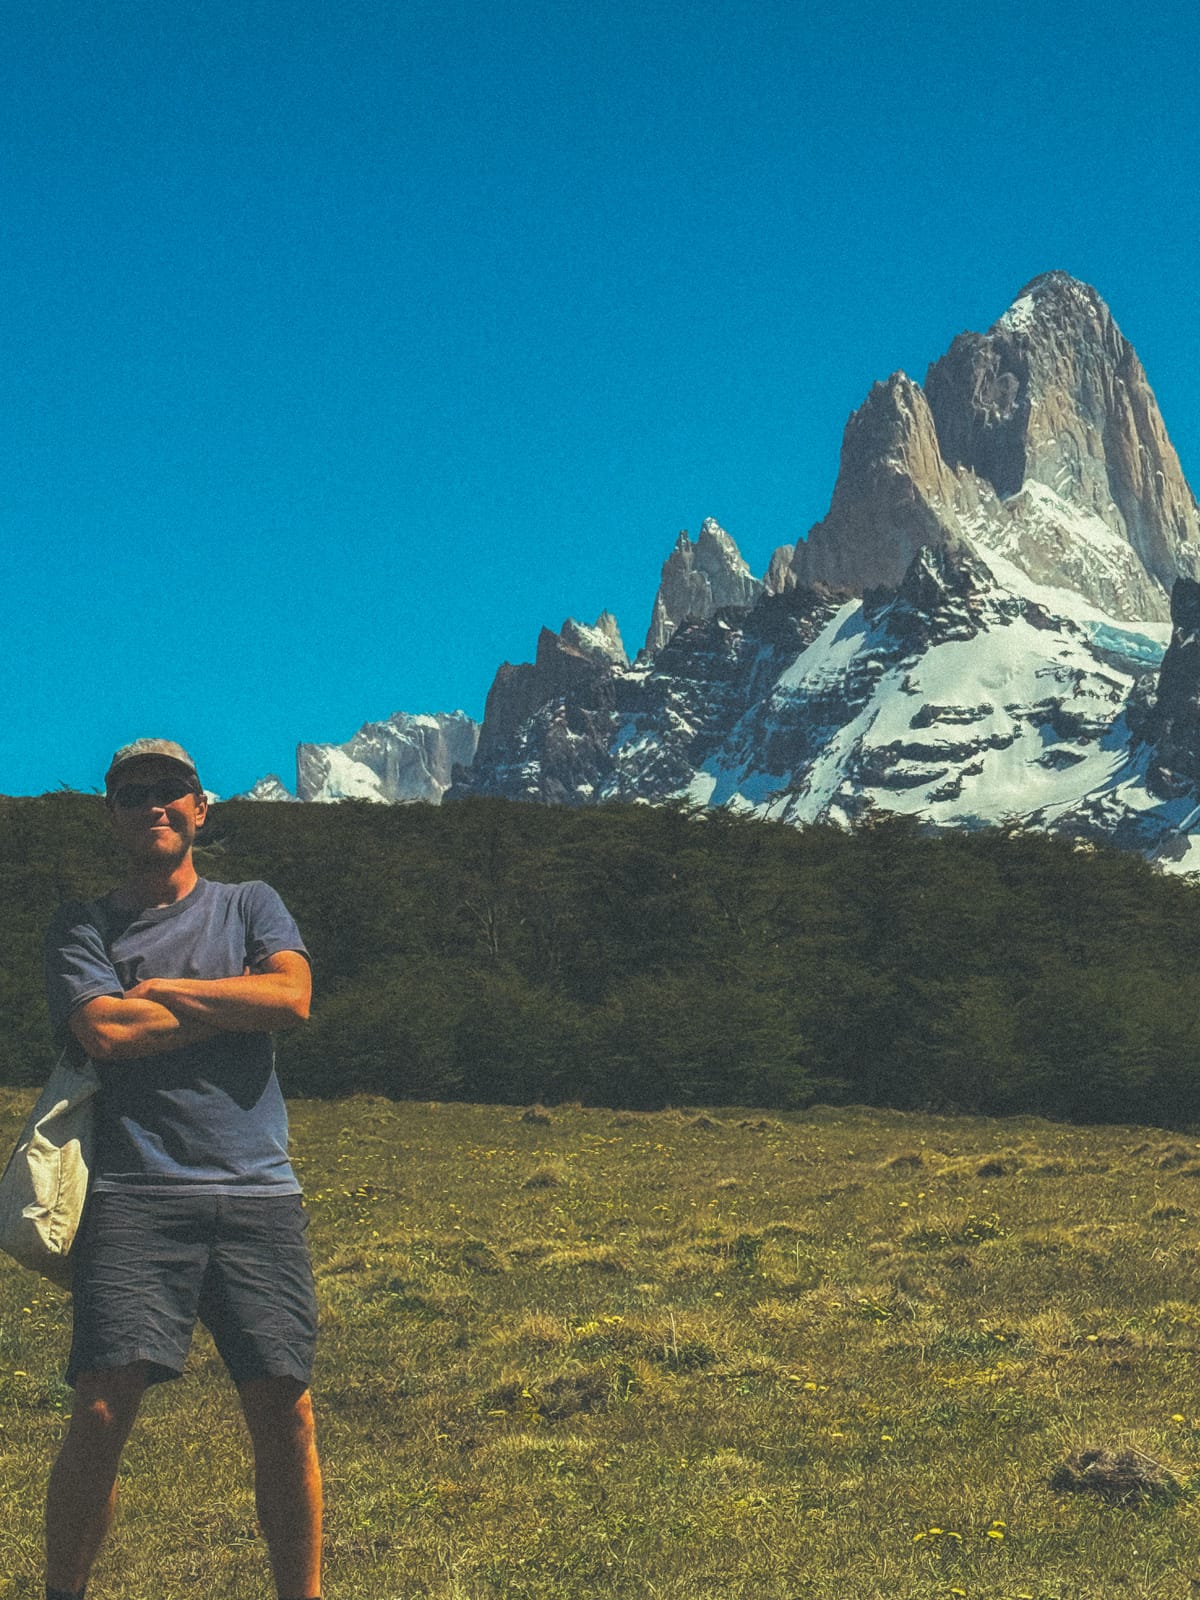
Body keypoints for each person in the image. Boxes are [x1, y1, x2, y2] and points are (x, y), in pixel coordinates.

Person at [41, 738, 321, 1600]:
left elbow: (295, 998)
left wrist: (157, 992)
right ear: (113, 815)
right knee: (100, 1409)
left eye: (171, 791)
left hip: (258, 1193)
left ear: (201, 810)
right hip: (133, 1194)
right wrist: (232, 1004)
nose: (154, 804)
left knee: (284, 1406)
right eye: (134, 794)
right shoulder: (83, 926)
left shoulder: (251, 902)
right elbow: (107, 1034)